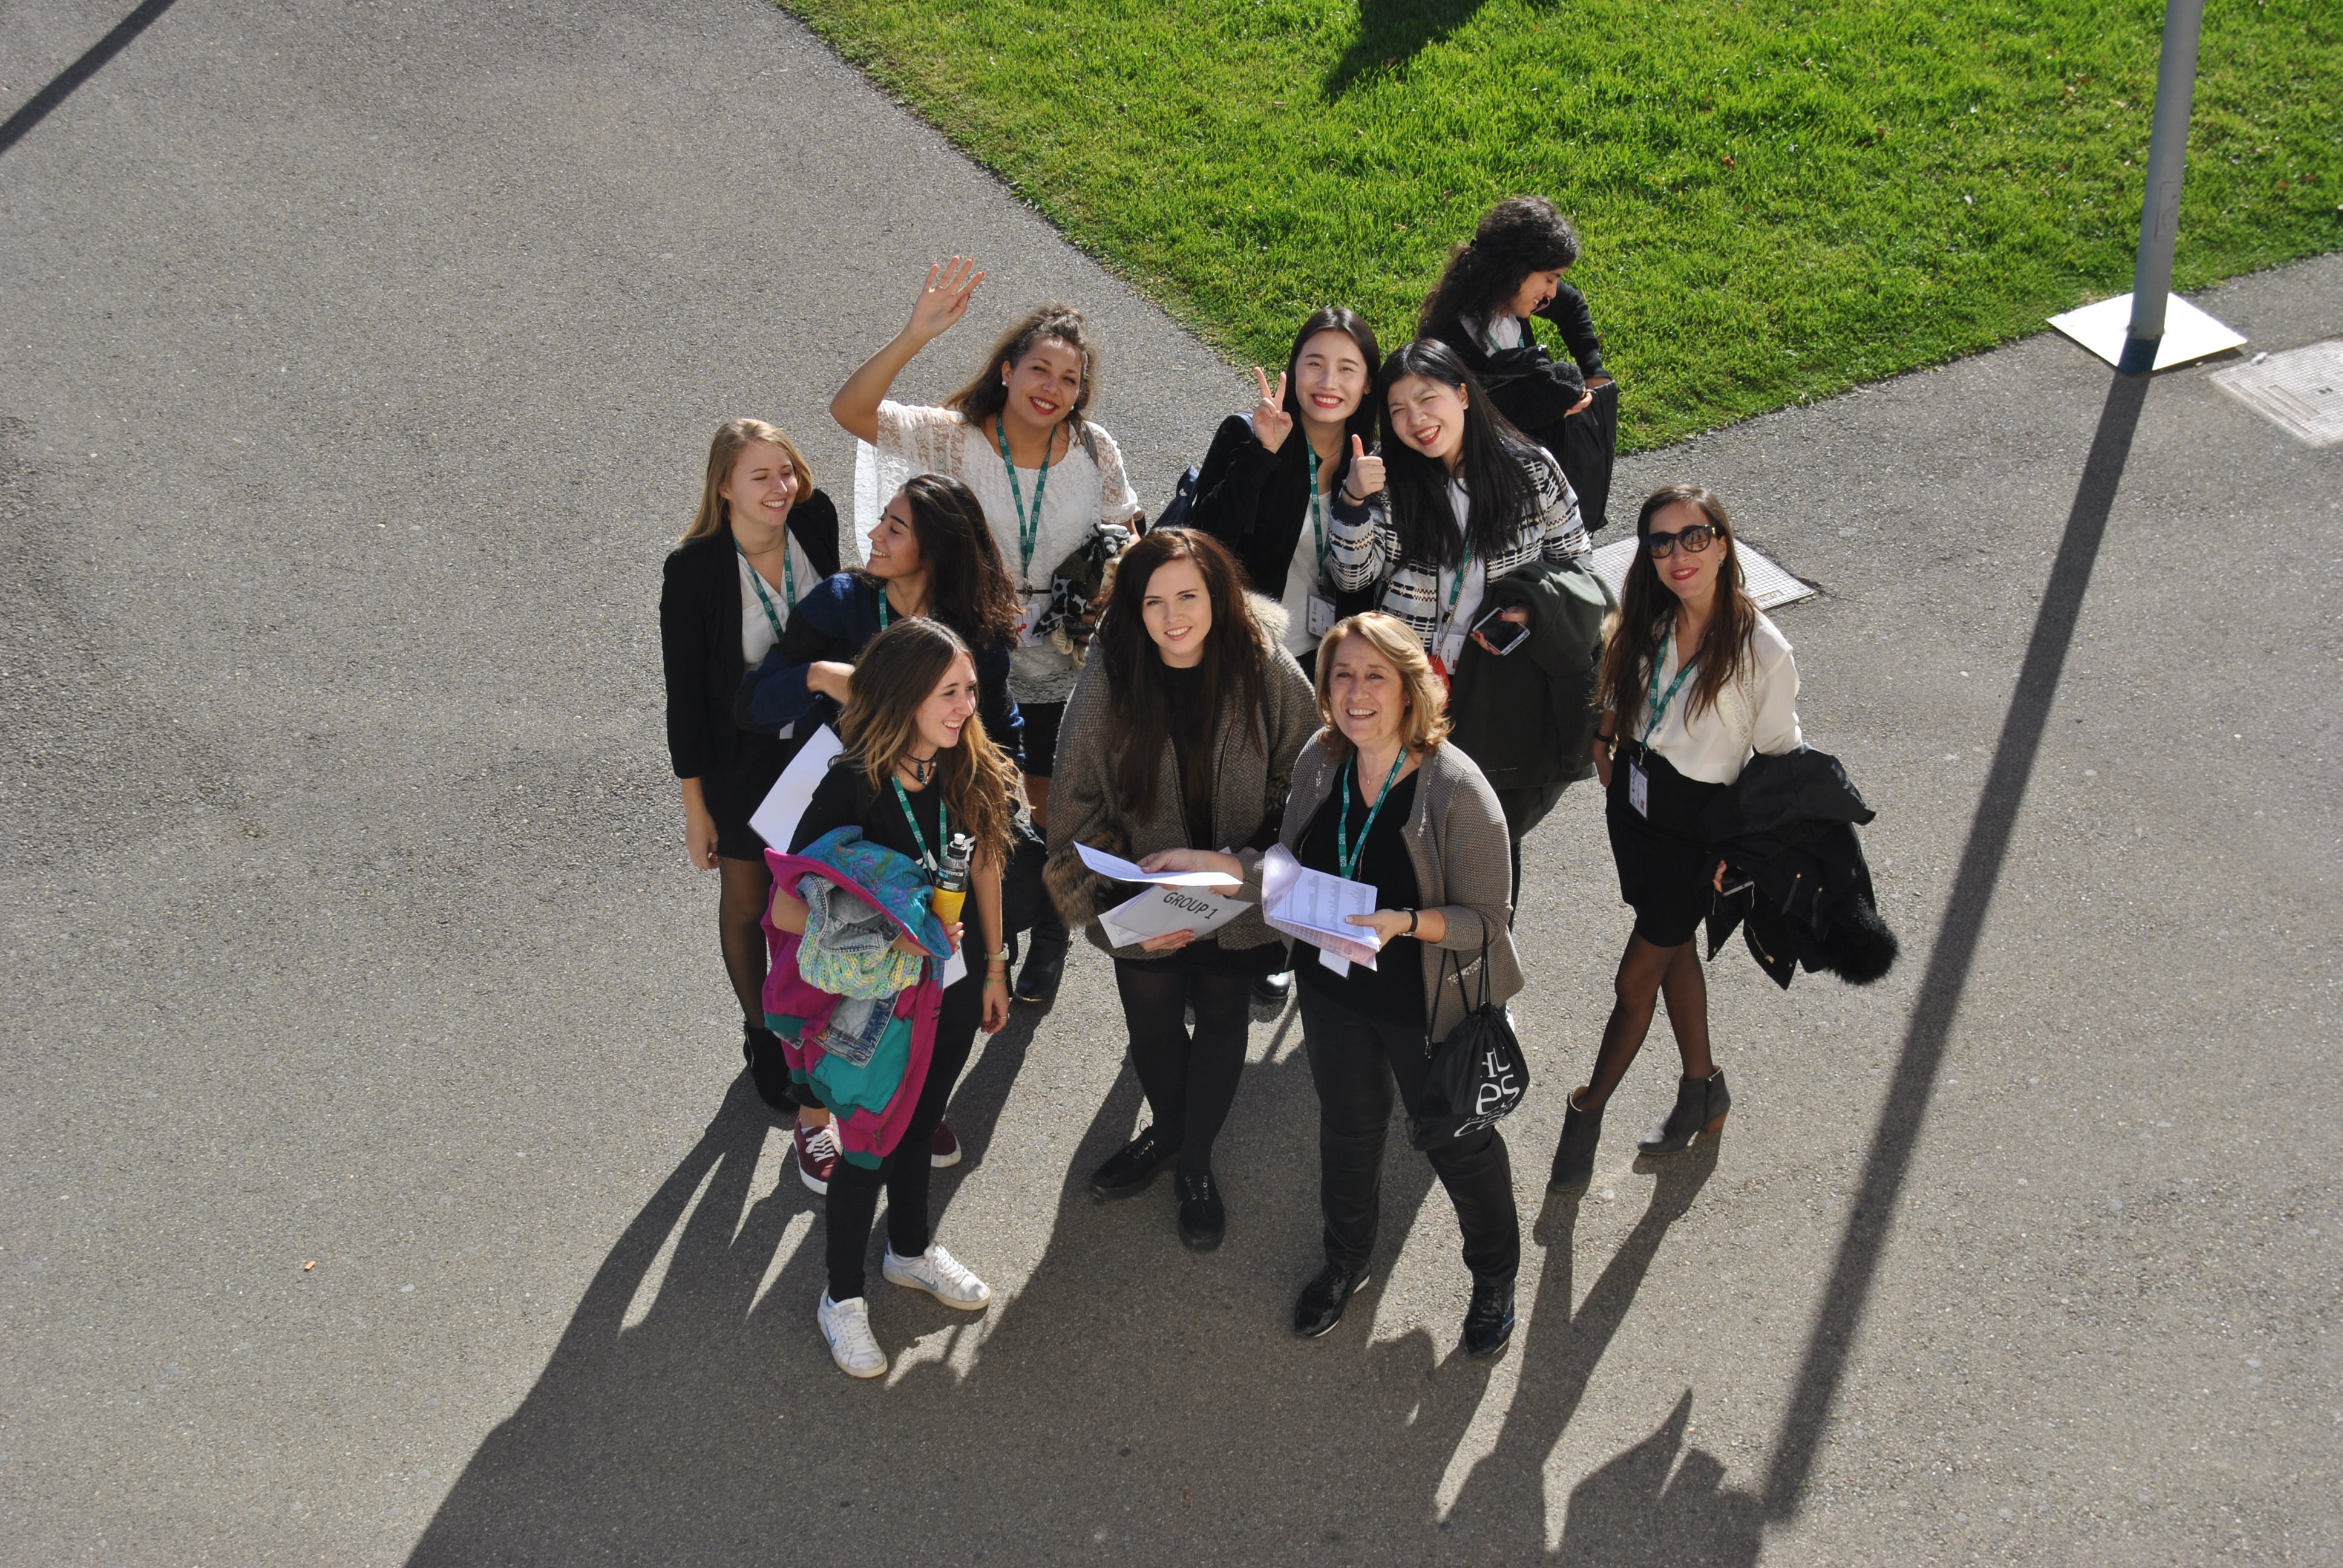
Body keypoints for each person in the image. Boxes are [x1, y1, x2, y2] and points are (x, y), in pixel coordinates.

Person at [1144, 613, 1524, 1356]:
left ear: (1410, 688)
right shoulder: (1322, 761)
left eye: (1374, 676)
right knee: (1348, 1134)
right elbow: (1284, 872)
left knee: (1456, 1146)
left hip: (1425, 1008)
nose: (1355, 693)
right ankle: (1345, 1264)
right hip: (1333, 994)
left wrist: (1403, 924)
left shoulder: (1457, 789)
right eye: (1341, 675)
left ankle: (1493, 1277)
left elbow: (1487, 922)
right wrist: (1208, 869)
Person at [831, 258, 1144, 1006]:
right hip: (978, 663)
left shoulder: (1095, 449)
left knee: (1054, 802)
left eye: (1069, 381)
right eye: (1040, 369)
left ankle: (1052, 931)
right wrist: (916, 333)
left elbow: (1126, 528)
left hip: (1071, 663)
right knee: (987, 802)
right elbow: (850, 411)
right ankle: (980, 931)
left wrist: (1116, 574)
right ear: (1006, 370)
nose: (1053, 390)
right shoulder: (955, 439)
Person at [736, 471, 1026, 1192]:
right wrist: (820, 676)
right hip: (839, 812)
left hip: (926, 819)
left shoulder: (971, 629)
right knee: (832, 960)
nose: (873, 535)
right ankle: (814, 1117)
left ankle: (905, 1103)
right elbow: (752, 703)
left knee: (913, 971)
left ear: (936, 550)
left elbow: (1006, 724)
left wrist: (999, 776)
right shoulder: (841, 603)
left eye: (894, 527)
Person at [1041, 529, 1317, 1250]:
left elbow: (1308, 778)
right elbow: (1072, 811)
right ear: (1130, 609)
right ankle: (1167, 1134)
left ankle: (1193, 1165)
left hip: (1238, 898)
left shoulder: (1266, 667)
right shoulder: (1107, 677)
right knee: (1153, 1027)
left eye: (1188, 596)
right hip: (1143, 904)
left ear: (1218, 596)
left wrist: (1242, 864)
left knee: (1224, 1018)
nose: (1172, 617)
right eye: (1153, 601)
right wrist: (1112, 917)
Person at [770, 618, 1018, 1378]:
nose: (966, 706)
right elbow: (784, 908)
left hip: (948, 993)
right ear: (905, 694)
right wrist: (885, 930)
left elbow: (983, 869)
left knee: (918, 1129)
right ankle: (840, 1298)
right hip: (876, 1008)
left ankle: (908, 1252)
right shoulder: (850, 781)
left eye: (970, 690)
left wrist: (996, 965)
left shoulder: (967, 766)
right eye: (949, 692)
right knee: (869, 1146)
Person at [1547, 485, 1801, 1196]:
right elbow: (1621, 686)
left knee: (1634, 981)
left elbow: (1782, 763)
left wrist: (1742, 856)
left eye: (1693, 537)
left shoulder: (1762, 651)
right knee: (1670, 948)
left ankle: (1584, 1108)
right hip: (1633, 806)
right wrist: (1604, 736)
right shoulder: (1651, 618)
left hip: (1695, 829)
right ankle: (1702, 1089)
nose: (1677, 555)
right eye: (1660, 542)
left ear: (1722, 543)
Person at [1329, 337, 1590, 887]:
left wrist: (1531, 608)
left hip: (1494, 681)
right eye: (1398, 410)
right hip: (1409, 682)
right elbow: (1354, 575)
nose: (1415, 420)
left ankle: (1483, 949)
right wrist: (1352, 501)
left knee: (1489, 827)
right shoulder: (1389, 481)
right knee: (1402, 820)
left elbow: (1579, 562)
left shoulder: (1530, 471)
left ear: (1464, 395)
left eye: (1428, 399)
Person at [658, 419, 840, 1109]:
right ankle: (762, 1032)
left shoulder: (813, 519)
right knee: (746, 900)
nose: (780, 488)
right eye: (760, 477)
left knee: (818, 889)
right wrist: (695, 809)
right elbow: (686, 699)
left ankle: (815, 1018)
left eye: (786, 471)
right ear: (724, 489)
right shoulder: (694, 570)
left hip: (823, 745)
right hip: (740, 757)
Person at [1418, 195, 1617, 532]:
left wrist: (1593, 370)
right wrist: (1549, 409)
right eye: (1550, 278)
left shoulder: (1520, 299)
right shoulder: (1448, 336)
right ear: (1516, 270)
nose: (1553, 292)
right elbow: (1466, 419)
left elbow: (1572, 307)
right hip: (1485, 497)